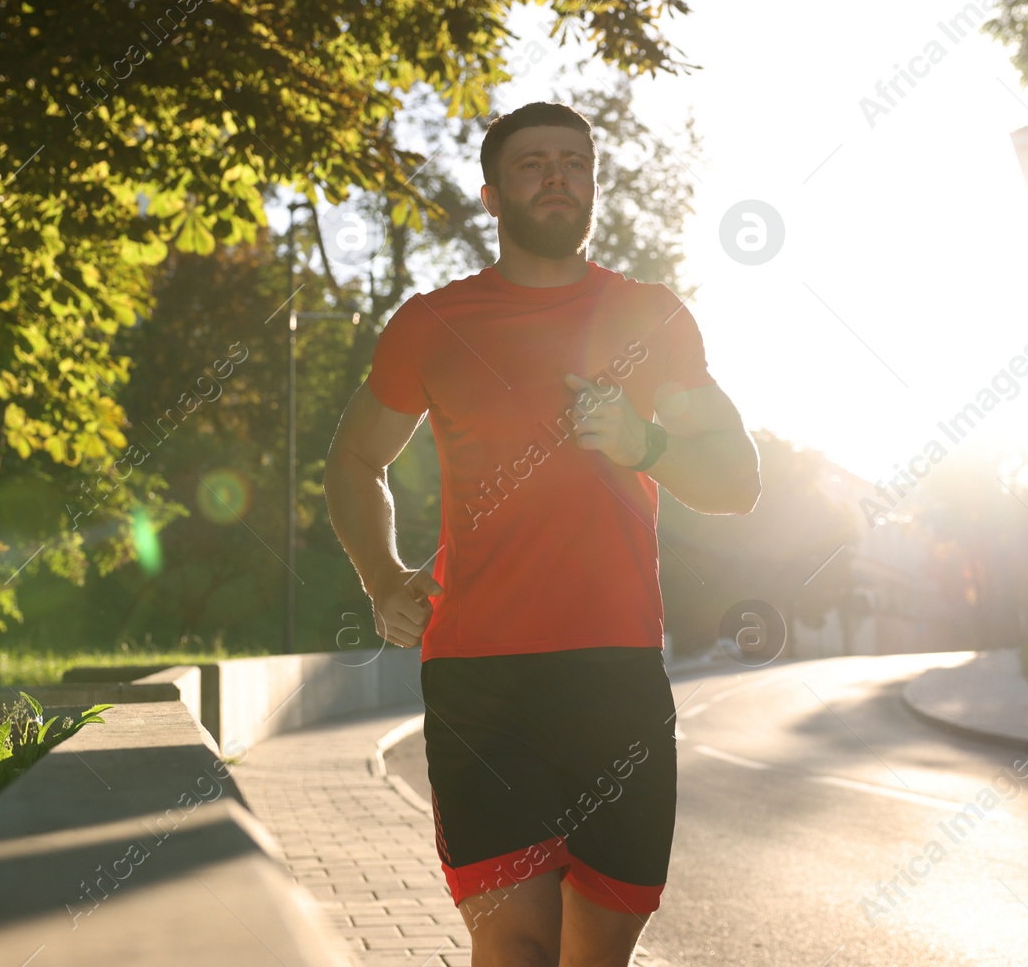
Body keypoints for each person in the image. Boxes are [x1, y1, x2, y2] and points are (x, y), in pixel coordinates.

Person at [324, 101, 760, 967]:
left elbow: (738, 480)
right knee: (515, 942)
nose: (557, 175)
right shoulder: (434, 323)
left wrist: (649, 444)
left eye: (574, 161)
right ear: (490, 196)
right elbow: (352, 461)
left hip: (617, 672)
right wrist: (382, 578)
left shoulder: (654, 318)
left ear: (594, 185)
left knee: (597, 950)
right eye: (532, 164)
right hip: (481, 679)